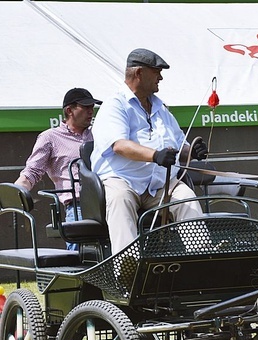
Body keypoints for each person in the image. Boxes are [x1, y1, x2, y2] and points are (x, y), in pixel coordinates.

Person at [91, 48, 208, 255]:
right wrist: (155, 155)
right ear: (139, 73)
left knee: (186, 197)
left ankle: (201, 255)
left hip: (161, 185)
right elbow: (119, 145)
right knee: (120, 199)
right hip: (124, 180)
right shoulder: (114, 105)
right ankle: (128, 264)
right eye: (156, 71)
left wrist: (192, 151)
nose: (160, 77)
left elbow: (180, 146)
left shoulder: (162, 109)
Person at [15, 87, 102, 250]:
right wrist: (16, 192)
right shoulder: (50, 137)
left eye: (92, 107)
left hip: (108, 201)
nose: (91, 111)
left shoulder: (100, 134)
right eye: (86, 107)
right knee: (81, 257)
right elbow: (32, 172)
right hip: (77, 206)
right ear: (69, 110)